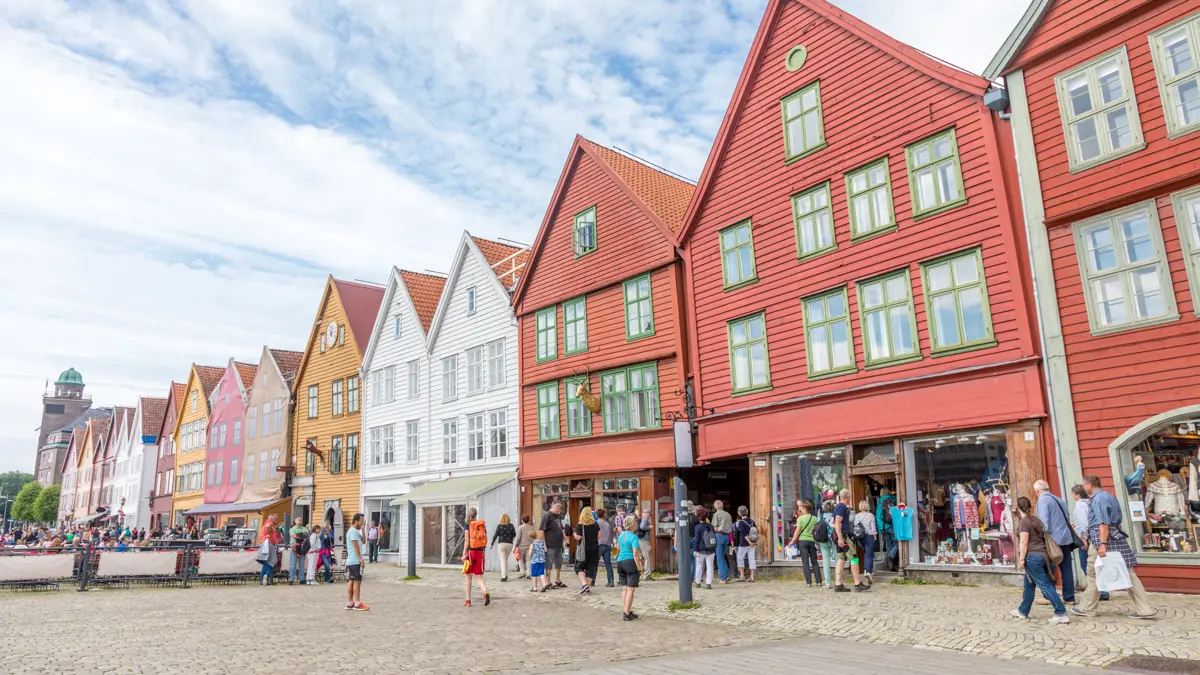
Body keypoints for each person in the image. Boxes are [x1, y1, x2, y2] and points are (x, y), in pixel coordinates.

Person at [1072, 475, 1155, 619]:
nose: (1083, 488)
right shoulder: (1109, 497)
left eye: (1084, 485)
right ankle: (1145, 608)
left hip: (1103, 539)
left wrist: (1102, 544)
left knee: (1094, 572)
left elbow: (1104, 523)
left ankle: (1088, 608)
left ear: (1089, 485)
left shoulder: (1099, 499)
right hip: (1112, 537)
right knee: (1126, 573)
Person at [1012, 496, 1069, 623]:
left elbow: (1024, 542)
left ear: (1018, 507)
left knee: (1045, 586)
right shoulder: (1037, 520)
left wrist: (1021, 559)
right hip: (1043, 555)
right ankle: (1023, 611)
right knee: (1029, 585)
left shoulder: (1024, 522)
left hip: (1032, 557)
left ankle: (1061, 613)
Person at [1034, 480, 1077, 605]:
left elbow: (1044, 524)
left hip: (1053, 540)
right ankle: (1069, 597)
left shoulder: (1043, 500)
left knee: (1048, 568)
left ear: (1037, 491)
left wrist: (1039, 538)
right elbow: (1067, 518)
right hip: (1066, 538)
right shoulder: (1059, 499)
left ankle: (1049, 596)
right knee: (1066, 569)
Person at [1070, 484, 1108, 602]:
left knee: (1086, 564)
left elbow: (1084, 524)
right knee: (1095, 565)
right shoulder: (1090, 503)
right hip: (1094, 536)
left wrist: (1083, 539)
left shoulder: (1080, 505)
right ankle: (1102, 590)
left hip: (1087, 538)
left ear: (1076, 494)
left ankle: (1099, 591)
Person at [833, 489, 867, 593]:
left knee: (841, 558)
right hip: (843, 536)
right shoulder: (842, 507)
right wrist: (840, 537)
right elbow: (837, 522)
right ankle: (857, 583)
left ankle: (838, 584)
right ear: (848, 497)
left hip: (838, 535)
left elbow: (832, 522)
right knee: (854, 558)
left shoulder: (837, 507)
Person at [616, 515, 644, 621]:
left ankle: (626, 609)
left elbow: (618, 548)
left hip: (620, 562)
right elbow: (635, 554)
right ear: (632, 525)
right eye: (636, 523)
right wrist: (639, 567)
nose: (637, 525)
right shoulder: (634, 537)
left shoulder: (621, 535)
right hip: (630, 563)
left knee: (625, 588)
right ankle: (627, 613)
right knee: (631, 590)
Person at [462, 508, 491, 607]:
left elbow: (466, 541)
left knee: (468, 577)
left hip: (471, 552)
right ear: (476, 515)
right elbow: (486, 539)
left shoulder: (467, 525)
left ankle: (468, 601)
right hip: (481, 552)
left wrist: (463, 553)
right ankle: (485, 592)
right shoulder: (481, 525)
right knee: (478, 576)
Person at [789, 500, 821, 587]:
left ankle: (809, 582)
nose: (800, 509)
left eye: (801, 507)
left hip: (803, 541)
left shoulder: (801, 518)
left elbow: (797, 531)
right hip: (812, 541)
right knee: (814, 561)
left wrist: (792, 541)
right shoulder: (814, 518)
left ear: (805, 508)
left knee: (805, 562)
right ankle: (819, 581)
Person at [538, 501, 566, 589]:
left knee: (559, 562)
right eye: (558, 508)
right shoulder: (547, 516)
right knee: (549, 563)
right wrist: (544, 544)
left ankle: (558, 580)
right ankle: (547, 581)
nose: (559, 510)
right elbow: (541, 530)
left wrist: (565, 538)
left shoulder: (557, 516)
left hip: (558, 544)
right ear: (553, 506)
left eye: (560, 509)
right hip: (550, 544)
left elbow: (561, 528)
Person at [573, 507, 600, 594]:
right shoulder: (595, 524)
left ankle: (584, 584)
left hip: (583, 549)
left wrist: (574, 533)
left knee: (579, 566)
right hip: (594, 548)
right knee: (591, 568)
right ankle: (587, 587)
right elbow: (599, 536)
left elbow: (578, 537)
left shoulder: (580, 525)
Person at [345, 512, 368, 611]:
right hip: (355, 560)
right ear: (356, 521)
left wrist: (363, 529)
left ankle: (350, 602)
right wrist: (360, 558)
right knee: (357, 582)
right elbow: (356, 546)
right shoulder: (353, 531)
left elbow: (363, 541)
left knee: (351, 580)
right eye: (361, 522)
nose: (362, 523)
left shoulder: (355, 531)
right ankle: (357, 603)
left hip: (351, 560)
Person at [691, 506, 716, 589]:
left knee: (699, 566)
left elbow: (697, 539)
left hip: (701, 550)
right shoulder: (711, 526)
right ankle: (708, 583)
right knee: (710, 566)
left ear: (698, 517)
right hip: (711, 549)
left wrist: (695, 550)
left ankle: (697, 582)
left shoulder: (698, 527)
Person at [854, 499, 877, 585]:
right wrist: (875, 537)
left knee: (866, 553)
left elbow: (856, 526)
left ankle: (866, 570)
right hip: (868, 536)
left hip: (860, 537)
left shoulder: (857, 516)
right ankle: (868, 571)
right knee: (869, 555)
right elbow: (873, 528)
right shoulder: (870, 515)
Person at [712, 500, 734, 584]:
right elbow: (731, 527)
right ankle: (726, 575)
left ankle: (723, 578)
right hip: (727, 537)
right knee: (723, 557)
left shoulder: (716, 514)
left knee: (719, 557)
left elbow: (714, 527)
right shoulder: (728, 515)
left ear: (715, 506)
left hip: (719, 536)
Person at [733, 506, 757, 582]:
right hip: (752, 543)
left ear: (739, 513)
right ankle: (752, 576)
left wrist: (749, 542)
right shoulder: (752, 521)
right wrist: (753, 542)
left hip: (744, 543)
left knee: (740, 558)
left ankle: (742, 576)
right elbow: (756, 532)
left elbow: (743, 534)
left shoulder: (741, 522)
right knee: (752, 558)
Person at [491, 514, 516, 582]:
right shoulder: (511, 526)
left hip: (501, 544)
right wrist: (510, 538)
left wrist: (492, 544)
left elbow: (495, 535)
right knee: (505, 559)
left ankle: (503, 576)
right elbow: (514, 534)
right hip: (509, 544)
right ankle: (505, 574)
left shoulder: (499, 526)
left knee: (503, 560)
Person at [259, 514, 282, 586]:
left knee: (266, 563)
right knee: (272, 562)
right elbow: (268, 526)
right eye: (276, 518)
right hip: (269, 544)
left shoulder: (265, 524)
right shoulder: (270, 523)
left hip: (265, 544)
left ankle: (262, 579)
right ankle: (266, 575)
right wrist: (269, 533)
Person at [596, 508, 614, 588]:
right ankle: (611, 581)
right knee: (608, 564)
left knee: (594, 564)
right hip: (607, 544)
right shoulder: (607, 524)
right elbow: (611, 534)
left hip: (599, 545)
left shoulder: (595, 523)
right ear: (604, 514)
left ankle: (592, 580)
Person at [515, 515, 536, 580]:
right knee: (528, 560)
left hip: (521, 546)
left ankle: (522, 572)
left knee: (520, 559)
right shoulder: (531, 527)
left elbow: (518, 537)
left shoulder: (520, 527)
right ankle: (528, 574)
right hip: (530, 545)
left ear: (522, 520)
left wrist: (515, 545)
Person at [288, 517, 307, 584]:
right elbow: (294, 536)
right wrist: (301, 536)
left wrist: (299, 536)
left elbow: (306, 535)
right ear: (295, 521)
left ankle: (302, 579)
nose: (300, 520)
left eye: (301, 520)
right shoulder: (292, 529)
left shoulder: (304, 528)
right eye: (299, 519)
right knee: (292, 564)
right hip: (294, 547)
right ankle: (291, 579)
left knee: (301, 564)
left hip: (302, 547)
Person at [637, 508, 654, 580]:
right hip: (644, 541)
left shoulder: (640, 519)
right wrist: (649, 527)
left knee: (640, 557)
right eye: (650, 515)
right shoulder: (645, 519)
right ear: (647, 514)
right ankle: (647, 575)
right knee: (648, 558)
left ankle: (639, 574)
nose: (650, 516)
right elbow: (642, 527)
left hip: (639, 540)